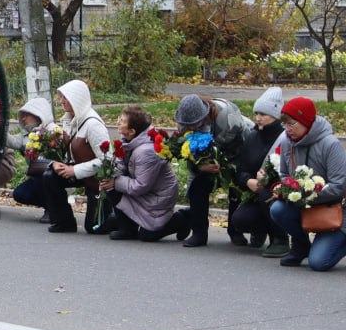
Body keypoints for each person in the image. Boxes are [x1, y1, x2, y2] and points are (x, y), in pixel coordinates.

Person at [268, 97, 346, 271]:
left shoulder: (330, 145)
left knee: (319, 263)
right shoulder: (287, 143)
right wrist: (287, 189)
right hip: (310, 203)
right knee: (277, 209)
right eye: (284, 124)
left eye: (292, 124)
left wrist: (303, 196)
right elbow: (284, 174)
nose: (287, 129)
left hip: (343, 207)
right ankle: (301, 246)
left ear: (306, 122)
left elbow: (338, 187)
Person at [171, 94, 252, 247]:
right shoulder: (184, 124)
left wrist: (221, 166)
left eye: (196, 123)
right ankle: (199, 233)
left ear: (206, 114)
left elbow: (241, 151)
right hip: (208, 159)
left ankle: (235, 231)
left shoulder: (227, 118)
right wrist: (199, 166)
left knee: (235, 188)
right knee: (197, 187)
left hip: (238, 151)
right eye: (189, 125)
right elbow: (187, 151)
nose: (193, 128)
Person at [104, 106, 189, 242]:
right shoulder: (128, 140)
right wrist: (109, 173)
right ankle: (128, 230)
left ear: (132, 131)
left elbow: (141, 186)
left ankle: (179, 220)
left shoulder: (146, 152)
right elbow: (122, 166)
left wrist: (116, 182)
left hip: (157, 198)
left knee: (147, 236)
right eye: (120, 118)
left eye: (122, 121)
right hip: (145, 194)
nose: (118, 122)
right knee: (110, 189)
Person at [41, 79, 112, 234]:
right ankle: (63, 222)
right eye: (60, 97)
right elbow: (71, 151)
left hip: (98, 182)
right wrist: (56, 162)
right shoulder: (71, 121)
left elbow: (107, 161)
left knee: (94, 228)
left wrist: (75, 170)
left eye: (65, 97)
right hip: (83, 173)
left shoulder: (93, 125)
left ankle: (118, 216)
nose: (61, 101)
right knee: (50, 175)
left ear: (77, 98)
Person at [230, 87, 289, 258]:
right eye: (256, 113)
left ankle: (280, 238)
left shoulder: (285, 138)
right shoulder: (252, 137)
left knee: (266, 196)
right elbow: (241, 168)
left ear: (276, 115)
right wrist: (248, 181)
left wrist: (269, 182)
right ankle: (262, 230)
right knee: (240, 220)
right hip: (256, 191)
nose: (257, 118)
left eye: (263, 114)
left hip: (279, 192)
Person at [2, 98, 54, 220]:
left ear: (38, 115)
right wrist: (0, 127)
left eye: (27, 115)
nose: (23, 119)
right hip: (36, 177)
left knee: (44, 180)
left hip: (53, 176)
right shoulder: (25, 135)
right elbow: (12, 142)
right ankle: (51, 205)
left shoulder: (52, 132)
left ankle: (54, 208)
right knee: (19, 194)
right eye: (23, 116)